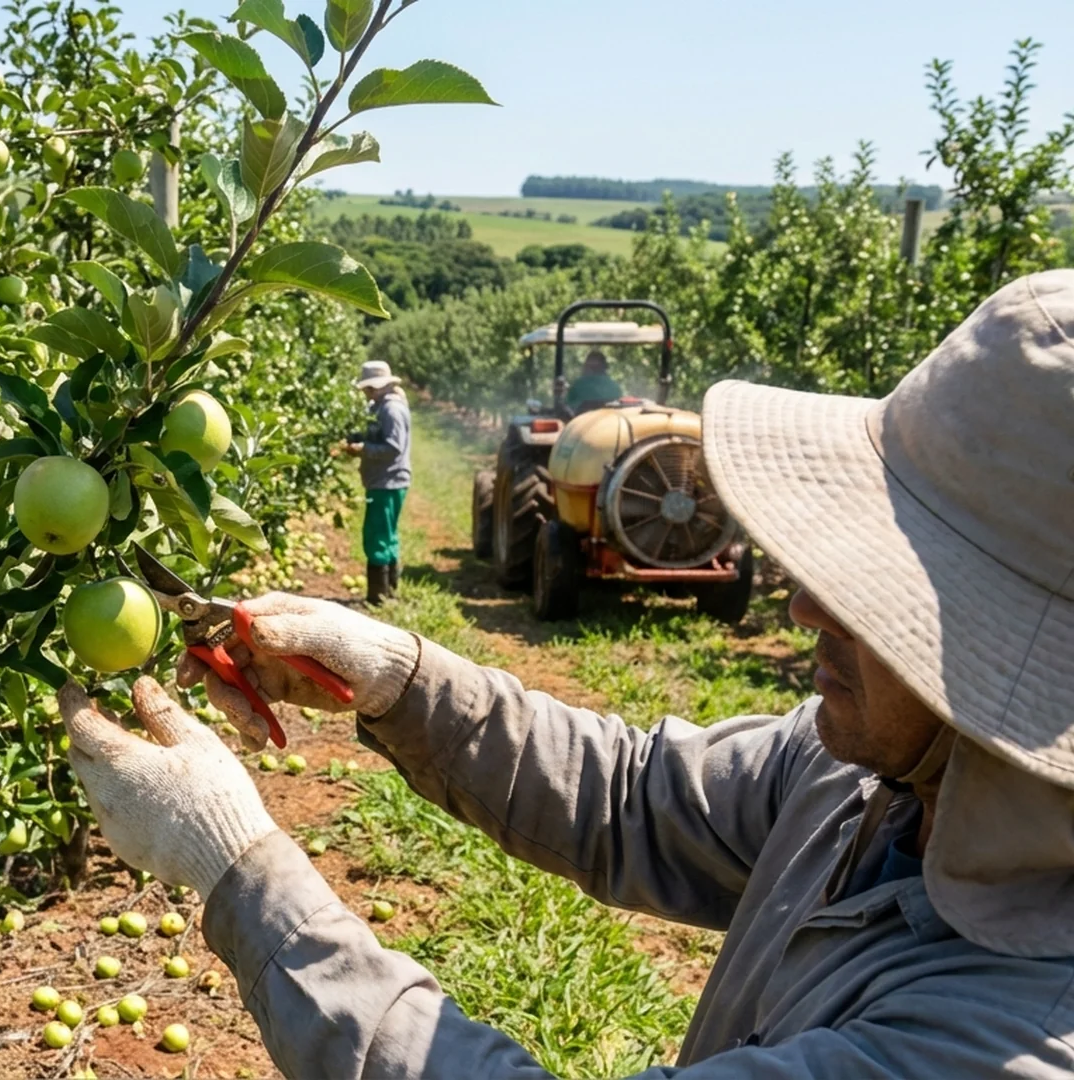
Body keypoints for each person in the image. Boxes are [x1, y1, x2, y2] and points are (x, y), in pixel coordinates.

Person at [61, 270, 1074, 1077]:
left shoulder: (1010, 1038)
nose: (805, 604)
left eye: (878, 586)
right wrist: (399, 679)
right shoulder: (877, 773)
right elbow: (635, 793)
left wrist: (241, 868)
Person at [345, 360, 412, 605]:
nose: (364, 393)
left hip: (387, 481)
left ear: (376, 387)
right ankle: (389, 590)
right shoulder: (380, 406)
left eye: (367, 388)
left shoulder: (391, 409)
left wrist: (363, 448)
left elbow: (394, 447)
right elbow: (375, 435)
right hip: (386, 481)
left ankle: (378, 596)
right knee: (387, 534)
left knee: (376, 535)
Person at [565, 348, 624, 412]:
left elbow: (567, 409)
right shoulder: (615, 387)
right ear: (605, 368)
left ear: (586, 367)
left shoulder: (578, 386)